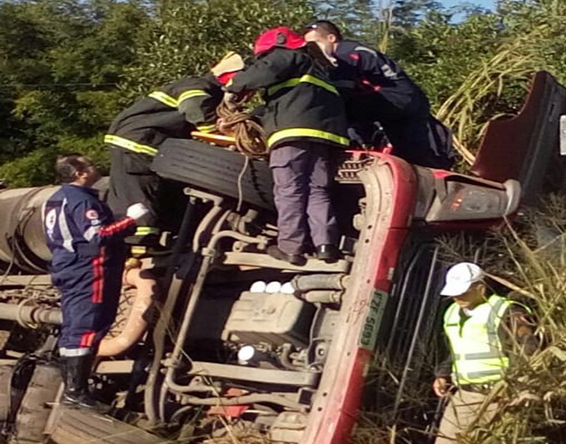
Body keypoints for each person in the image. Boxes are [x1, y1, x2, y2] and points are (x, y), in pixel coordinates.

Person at [222, 26, 350, 266]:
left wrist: (233, 88)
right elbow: (285, 103)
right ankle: (326, 245)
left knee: (289, 190)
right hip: (323, 137)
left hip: (292, 136)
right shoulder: (316, 69)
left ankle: (291, 247)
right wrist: (251, 115)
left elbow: (266, 69)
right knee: (317, 190)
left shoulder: (287, 55)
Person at [44, 155, 146, 409]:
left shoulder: (55, 199)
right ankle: (75, 393)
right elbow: (96, 235)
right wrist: (130, 220)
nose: (95, 167)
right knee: (88, 326)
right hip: (90, 269)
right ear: (80, 173)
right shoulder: (81, 200)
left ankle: (72, 389)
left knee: (73, 328)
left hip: (67, 267)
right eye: (89, 165)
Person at [105, 53, 245, 232]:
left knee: (164, 193)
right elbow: (195, 108)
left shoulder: (210, 92)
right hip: (140, 141)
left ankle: (164, 236)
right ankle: (139, 242)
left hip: (147, 142)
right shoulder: (198, 86)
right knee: (141, 196)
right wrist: (220, 131)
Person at [302, 20, 456, 169]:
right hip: (401, 104)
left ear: (331, 38)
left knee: (343, 111)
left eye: (315, 44)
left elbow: (342, 88)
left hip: (397, 102)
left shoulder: (346, 53)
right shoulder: (354, 51)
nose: (314, 50)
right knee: (411, 154)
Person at [432, 262, 537, 444]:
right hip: (464, 395)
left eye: (463, 292)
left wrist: (513, 386)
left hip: (496, 395)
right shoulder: (451, 314)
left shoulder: (507, 311)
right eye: (454, 293)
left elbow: (527, 348)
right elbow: (458, 349)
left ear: (480, 288)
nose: (457, 297)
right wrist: (443, 374)